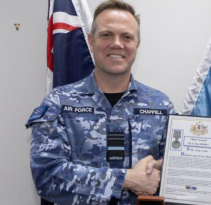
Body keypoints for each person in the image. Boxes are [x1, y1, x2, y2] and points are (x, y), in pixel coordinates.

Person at [25, 0, 175, 204]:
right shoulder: (58, 103)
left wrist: (162, 170)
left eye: (127, 37)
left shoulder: (160, 105)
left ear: (136, 45)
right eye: (106, 34)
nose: (117, 43)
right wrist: (126, 179)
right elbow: (46, 176)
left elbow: (177, 173)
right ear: (91, 41)